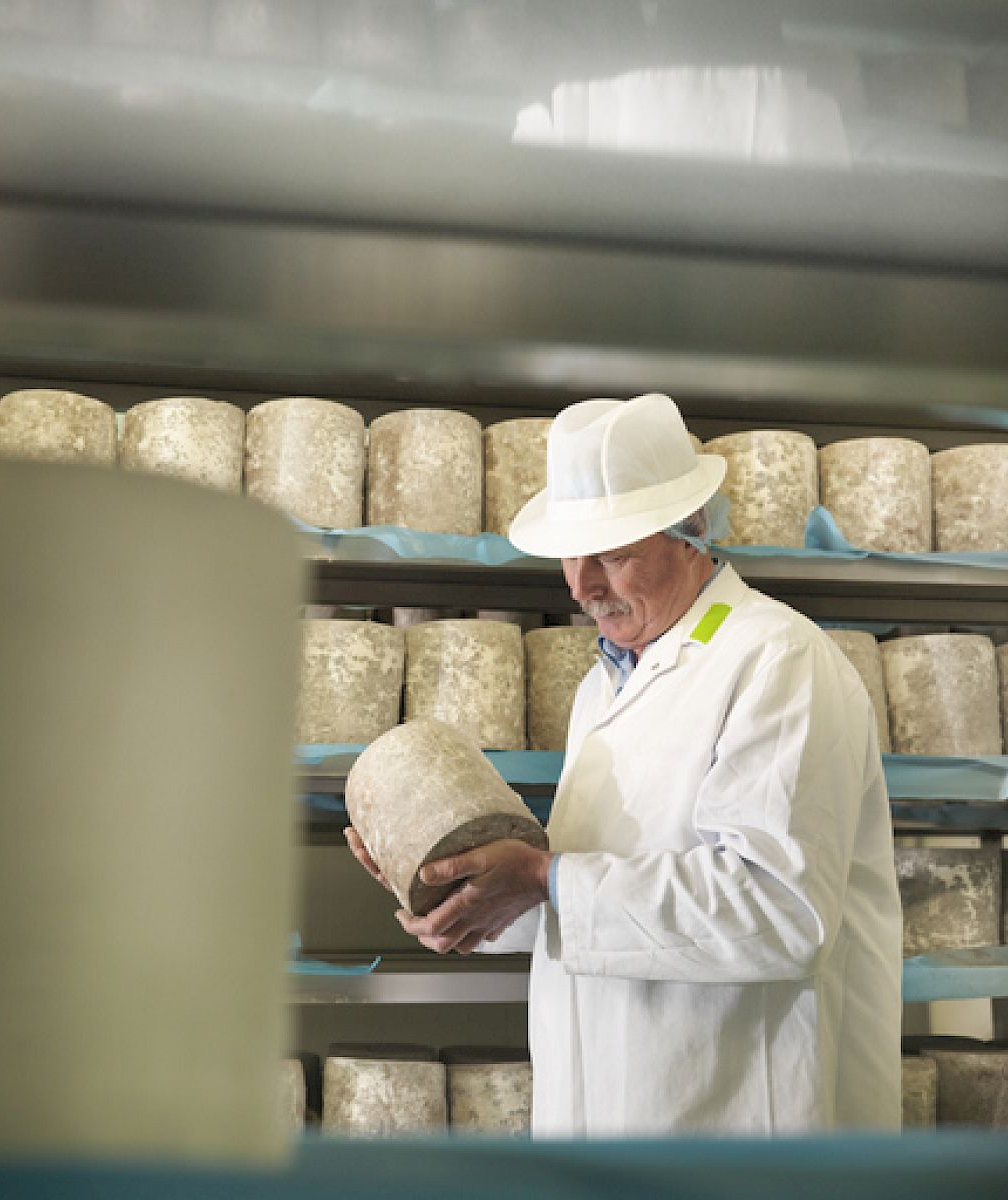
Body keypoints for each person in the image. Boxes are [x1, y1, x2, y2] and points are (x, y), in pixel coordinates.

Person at [346, 394, 903, 1135]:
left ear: (689, 533)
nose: (580, 586)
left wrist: (545, 878)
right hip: (608, 1118)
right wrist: (472, 895)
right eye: (571, 555)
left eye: (612, 554)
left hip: (738, 1127)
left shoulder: (777, 660)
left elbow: (780, 912)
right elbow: (600, 901)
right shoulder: (607, 681)